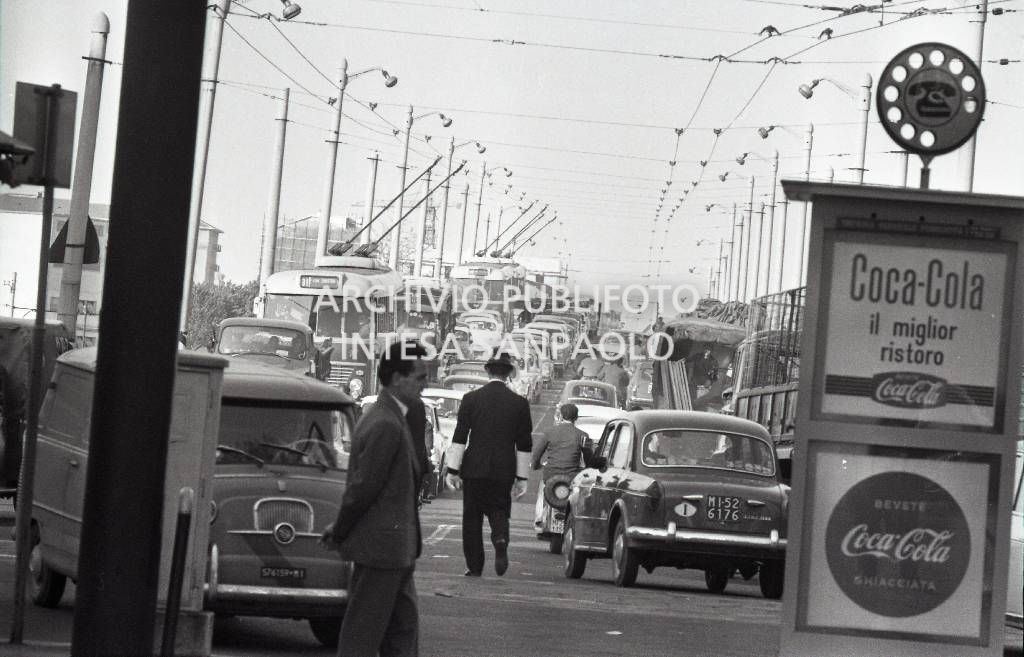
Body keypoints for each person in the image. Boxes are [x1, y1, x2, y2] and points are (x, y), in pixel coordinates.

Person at [320, 340, 430, 657]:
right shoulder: (385, 423)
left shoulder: (394, 417)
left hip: (396, 549)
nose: (424, 385)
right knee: (363, 634)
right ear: (396, 378)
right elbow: (363, 488)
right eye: (419, 377)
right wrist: (340, 530)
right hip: (382, 549)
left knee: (402, 633)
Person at [445, 350, 533, 577]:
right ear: (508, 374)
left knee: (472, 518)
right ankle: (500, 538)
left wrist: (453, 469)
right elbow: (524, 443)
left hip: (474, 468)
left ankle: (475, 566)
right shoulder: (520, 403)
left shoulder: (471, 399)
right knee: (499, 509)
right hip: (504, 469)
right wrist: (522, 478)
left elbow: (460, 436)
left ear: (488, 372)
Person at [531, 403, 592, 531]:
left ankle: (539, 519)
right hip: (572, 478)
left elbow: (536, 455)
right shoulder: (583, 435)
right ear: (576, 417)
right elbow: (589, 460)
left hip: (550, 475)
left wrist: (536, 466)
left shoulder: (549, 432)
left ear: (561, 416)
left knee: (543, 489)